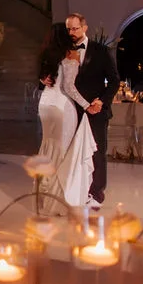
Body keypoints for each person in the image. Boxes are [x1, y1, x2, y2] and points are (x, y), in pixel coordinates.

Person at [36, 23, 97, 208]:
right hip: (62, 107)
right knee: (62, 152)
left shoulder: (46, 55)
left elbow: (45, 80)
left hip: (45, 105)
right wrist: (87, 105)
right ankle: (57, 202)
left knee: (48, 148)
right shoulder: (71, 54)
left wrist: (42, 79)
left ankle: (44, 199)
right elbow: (69, 87)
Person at [65, 13, 119, 206]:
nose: (72, 32)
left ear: (84, 28)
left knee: (97, 151)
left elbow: (114, 81)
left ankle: (97, 192)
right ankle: (76, 190)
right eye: (69, 29)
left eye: (75, 28)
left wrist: (101, 101)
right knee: (73, 151)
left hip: (96, 109)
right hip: (72, 109)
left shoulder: (101, 51)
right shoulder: (64, 50)